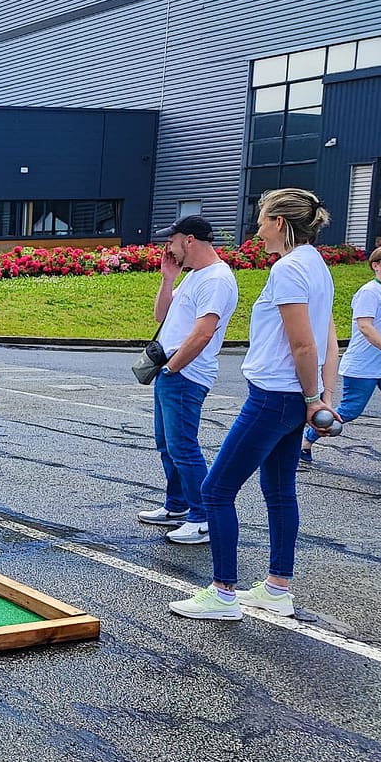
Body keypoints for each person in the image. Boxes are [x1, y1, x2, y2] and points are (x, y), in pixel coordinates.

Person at [171, 189, 337, 621]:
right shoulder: (317, 266)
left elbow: (304, 344)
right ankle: (277, 589)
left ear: (280, 223)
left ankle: (223, 594)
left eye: (262, 220)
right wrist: (322, 396)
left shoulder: (288, 269)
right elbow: (328, 339)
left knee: (215, 490)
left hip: (274, 397)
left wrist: (313, 398)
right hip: (293, 397)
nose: (257, 230)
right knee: (279, 490)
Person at [136, 214, 238, 545]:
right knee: (168, 444)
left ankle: (203, 517)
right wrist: (168, 279)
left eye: (172, 240)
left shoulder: (217, 279)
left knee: (183, 447)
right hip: (173, 372)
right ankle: (177, 505)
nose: (168, 246)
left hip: (185, 374)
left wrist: (173, 367)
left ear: (189, 240)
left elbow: (204, 332)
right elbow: (162, 316)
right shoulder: (195, 276)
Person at [300, 244, 381, 475]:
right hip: (363, 367)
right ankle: (307, 441)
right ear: (375, 266)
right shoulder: (370, 292)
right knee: (350, 410)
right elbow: (365, 326)